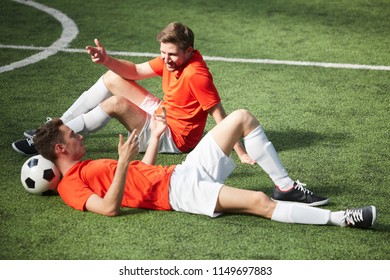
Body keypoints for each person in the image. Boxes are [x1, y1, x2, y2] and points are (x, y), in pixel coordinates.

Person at [32, 108, 376, 228]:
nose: (80, 136)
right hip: (180, 192)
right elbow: (109, 208)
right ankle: (342, 218)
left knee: (240, 118)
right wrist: (122, 163)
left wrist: (153, 141)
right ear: (61, 149)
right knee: (258, 202)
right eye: (73, 135)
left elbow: (139, 177)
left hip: (181, 172)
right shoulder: (69, 186)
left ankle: (285, 185)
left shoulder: (87, 163)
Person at [12, 22, 252, 164]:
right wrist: (107, 60)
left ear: (188, 51)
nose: (166, 60)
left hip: (174, 138)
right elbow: (136, 70)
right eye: (163, 53)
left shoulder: (196, 74)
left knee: (117, 103)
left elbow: (219, 114)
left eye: (172, 55)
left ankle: (49, 141)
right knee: (112, 78)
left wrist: (239, 151)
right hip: (163, 114)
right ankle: (56, 125)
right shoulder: (173, 60)